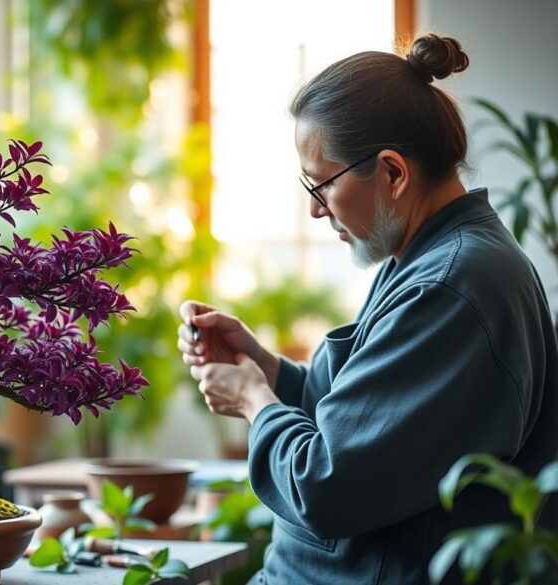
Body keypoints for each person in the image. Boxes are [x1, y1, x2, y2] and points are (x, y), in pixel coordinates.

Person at [178, 33, 558, 584]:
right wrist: (267, 368)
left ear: (393, 173)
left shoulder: (452, 286)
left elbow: (324, 485)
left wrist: (254, 402)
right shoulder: (422, 260)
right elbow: (362, 418)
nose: (313, 209)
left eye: (321, 184)